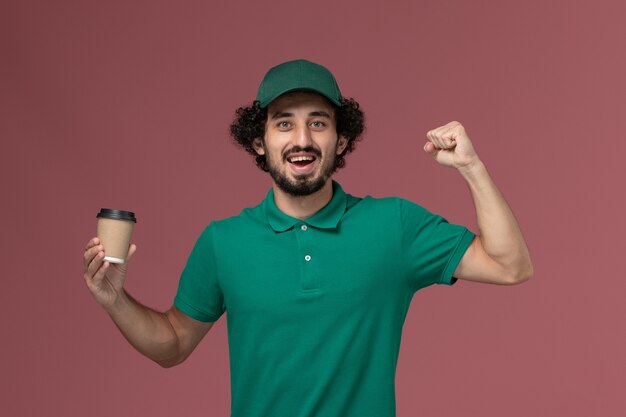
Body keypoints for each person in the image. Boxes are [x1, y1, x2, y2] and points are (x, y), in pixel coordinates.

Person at [83, 59, 533, 417]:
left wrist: (472, 168)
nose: (302, 139)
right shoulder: (224, 241)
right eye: (283, 123)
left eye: (318, 123)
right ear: (258, 141)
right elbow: (174, 344)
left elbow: (510, 265)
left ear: (341, 140)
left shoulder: (392, 225)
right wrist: (114, 300)